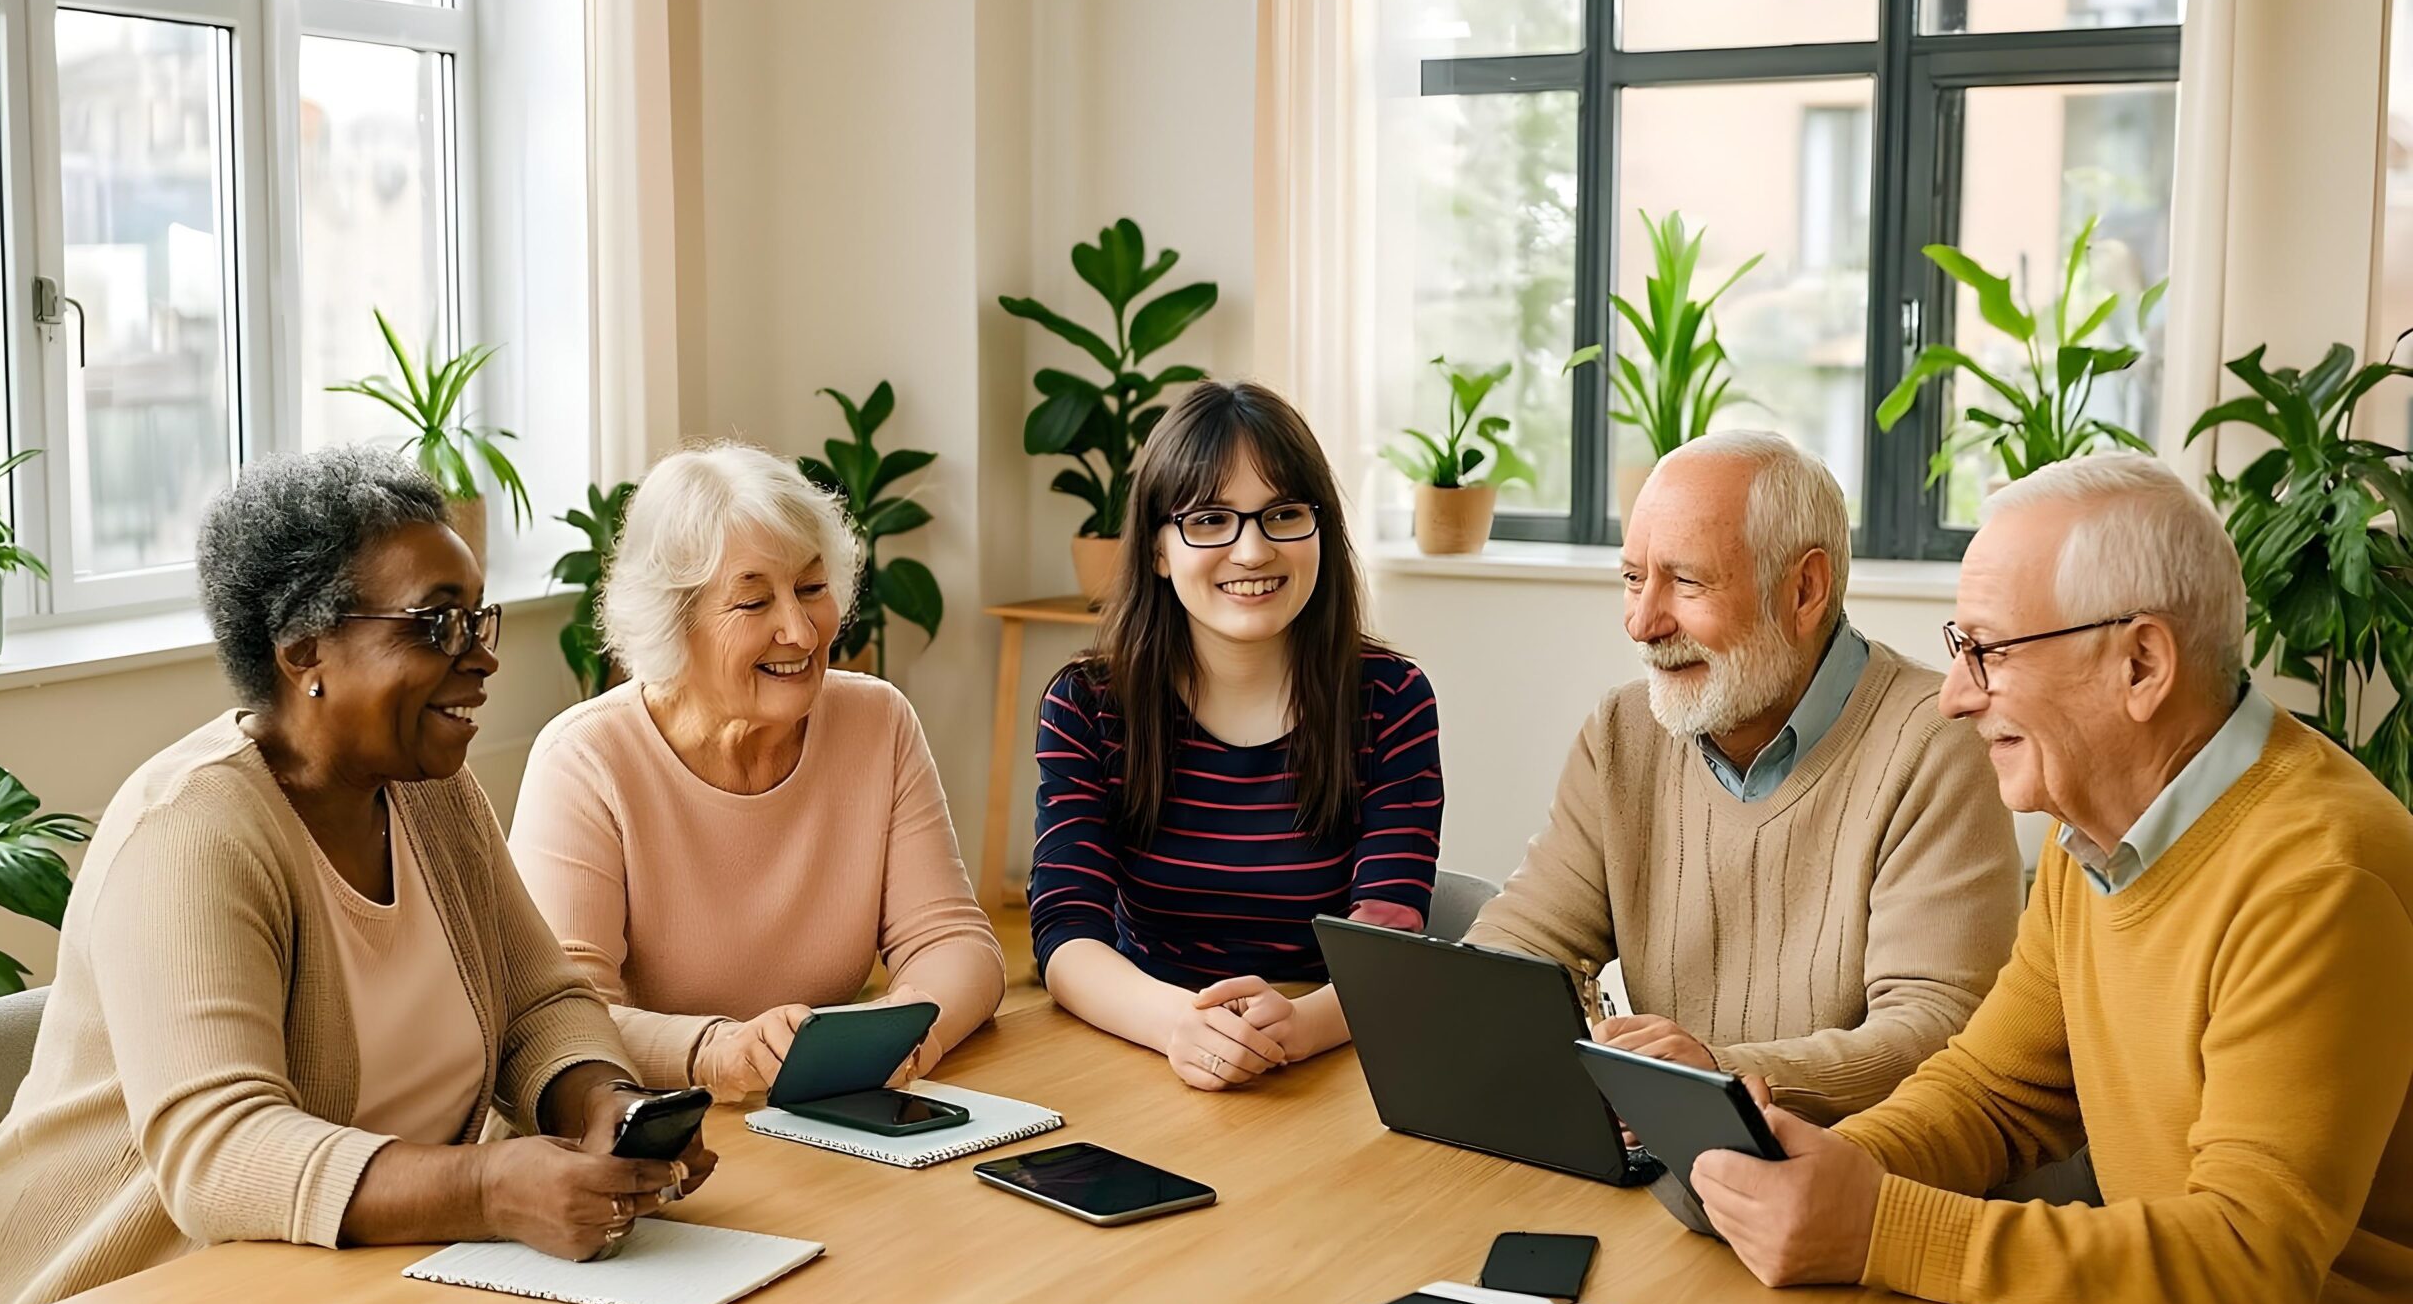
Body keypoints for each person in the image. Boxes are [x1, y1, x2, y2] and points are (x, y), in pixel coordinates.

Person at [0, 448, 710, 1304]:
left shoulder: (434, 796)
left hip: (339, 1294)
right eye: (436, 623)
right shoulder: (192, 834)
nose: (479, 655)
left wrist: (599, 1102)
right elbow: (221, 1155)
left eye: (479, 618)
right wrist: (485, 1189)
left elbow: (539, 998)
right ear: (303, 647)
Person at [1688, 454, 2413, 1304]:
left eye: (1986, 649)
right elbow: (1996, 1090)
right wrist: (1829, 1169)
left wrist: (1877, 1227)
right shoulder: (2099, 834)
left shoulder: (2319, 876)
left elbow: (2249, 1259)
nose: (1953, 693)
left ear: (2141, 665)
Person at [1462, 431, 2020, 1124]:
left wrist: (1724, 1077)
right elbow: (1515, 951)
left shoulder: (1937, 743)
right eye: (1633, 578)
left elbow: (1940, 1031)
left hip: (1851, 1182)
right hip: (1675, 1163)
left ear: (1804, 590)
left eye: (1686, 581)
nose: (1642, 622)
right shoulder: (1622, 731)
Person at [510, 441, 1003, 1097]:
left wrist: (907, 1028)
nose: (800, 631)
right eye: (753, 603)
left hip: (834, 1109)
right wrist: (713, 1051)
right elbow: (558, 1022)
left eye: (810, 588)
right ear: (673, 620)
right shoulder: (584, 763)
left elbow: (957, 942)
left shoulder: (878, 723)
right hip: (665, 1128)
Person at [1030, 380, 1442, 1092]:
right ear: (1159, 548)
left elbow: (1389, 931)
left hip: (1332, 1053)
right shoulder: (1088, 703)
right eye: (1211, 520)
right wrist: (1178, 1024)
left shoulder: (1391, 699)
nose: (1251, 551)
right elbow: (1068, 934)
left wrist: (1298, 1028)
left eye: (1283, 514)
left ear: (1322, 528)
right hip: (1141, 1042)